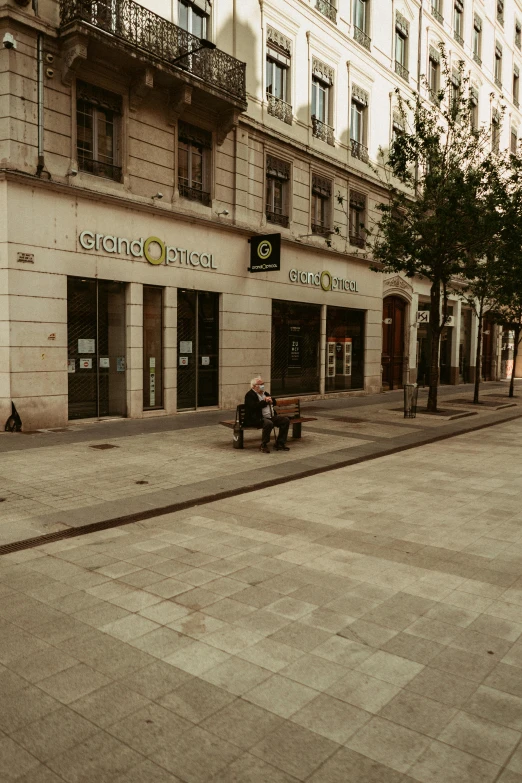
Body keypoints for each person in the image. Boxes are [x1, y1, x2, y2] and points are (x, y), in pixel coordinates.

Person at [244, 377, 290, 454]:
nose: (262, 386)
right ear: (254, 386)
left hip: (270, 416)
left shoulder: (265, 393)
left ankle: (280, 443)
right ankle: (264, 445)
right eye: (260, 384)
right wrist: (264, 402)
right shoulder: (250, 395)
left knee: (285, 420)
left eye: (263, 384)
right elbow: (253, 407)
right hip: (256, 418)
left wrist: (272, 401)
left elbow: (274, 402)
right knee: (268, 423)